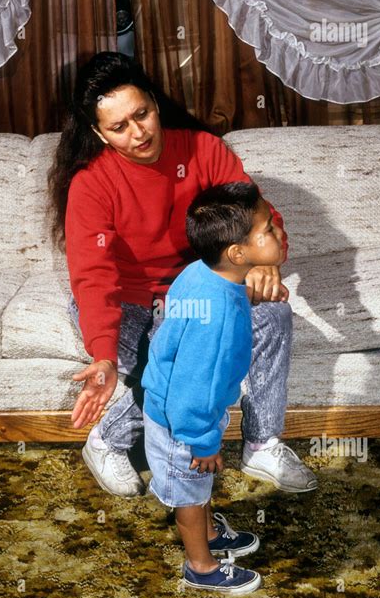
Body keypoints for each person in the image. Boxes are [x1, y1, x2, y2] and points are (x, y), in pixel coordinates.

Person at [47, 51, 317, 498]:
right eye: (119, 127)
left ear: (155, 103)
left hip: (198, 290)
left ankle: (262, 443)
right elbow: (93, 278)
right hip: (128, 302)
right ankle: (106, 441)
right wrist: (103, 354)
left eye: (143, 114)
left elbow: (260, 217)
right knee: (183, 365)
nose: (138, 133)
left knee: (272, 317)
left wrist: (266, 261)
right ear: (98, 133)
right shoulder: (91, 184)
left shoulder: (203, 150)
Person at [142, 181, 285, 593]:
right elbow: (194, 389)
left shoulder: (202, 272)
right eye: (269, 230)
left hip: (181, 408)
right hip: (183, 423)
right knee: (189, 494)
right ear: (238, 254)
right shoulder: (215, 321)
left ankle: (207, 535)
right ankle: (200, 566)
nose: (276, 232)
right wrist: (203, 442)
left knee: (200, 487)